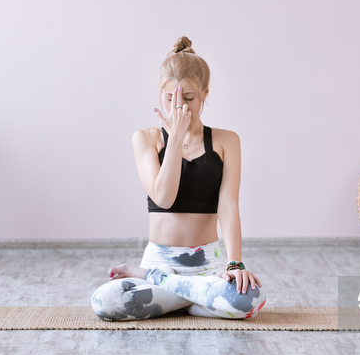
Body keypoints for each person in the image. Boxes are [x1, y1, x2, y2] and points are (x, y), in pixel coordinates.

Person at [91, 36, 266, 321]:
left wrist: (234, 265)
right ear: (160, 93)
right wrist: (175, 138)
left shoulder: (227, 140)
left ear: (205, 93)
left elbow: (229, 206)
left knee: (249, 299)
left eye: (188, 99)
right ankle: (195, 300)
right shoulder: (146, 139)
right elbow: (164, 198)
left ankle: (162, 290)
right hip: (159, 261)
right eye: (170, 98)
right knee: (104, 302)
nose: (178, 107)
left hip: (207, 267)